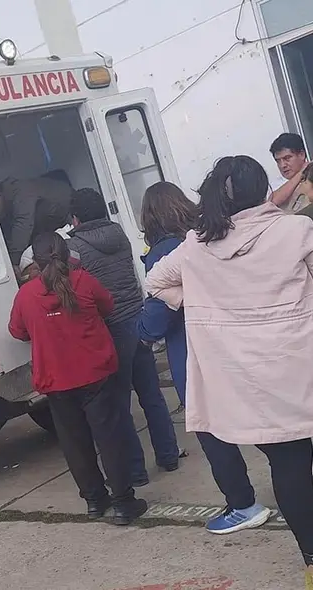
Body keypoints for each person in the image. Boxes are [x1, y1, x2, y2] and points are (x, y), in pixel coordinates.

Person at [145, 155, 313, 586]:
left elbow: (155, 282)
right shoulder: (297, 231)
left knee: (289, 465)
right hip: (302, 363)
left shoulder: (195, 248)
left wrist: (203, 302)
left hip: (250, 384)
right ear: (263, 189)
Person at [137, 180, 272, 535]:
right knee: (261, 422)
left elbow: (155, 319)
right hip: (232, 345)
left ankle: (243, 505)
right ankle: (299, 476)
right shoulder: (208, 237)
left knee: (213, 432)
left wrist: (141, 328)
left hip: (194, 356)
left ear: (149, 216)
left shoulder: (164, 254)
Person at [9, 232, 148, 525]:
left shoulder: (26, 295)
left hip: (55, 380)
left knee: (75, 444)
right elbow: (107, 306)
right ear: (66, 254)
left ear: (35, 262)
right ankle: (124, 503)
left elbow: (17, 331)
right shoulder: (84, 281)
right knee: (109, 438)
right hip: (95, 373)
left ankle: (95, 501)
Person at [68, 188, 183, 485]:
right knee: (151, 394)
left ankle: (135, 471)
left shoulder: (74, 248)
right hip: (137, 318)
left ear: (75, 219)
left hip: (110, 327)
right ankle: (169, 455)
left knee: (120, 405)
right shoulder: (118, 233)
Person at [0, 175, 72, 269]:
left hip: (69, 211)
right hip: (55, 219)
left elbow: (23, 225)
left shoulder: (22, 192)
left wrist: (14, 263)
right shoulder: (11, 199)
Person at [269, 133, 310, 211]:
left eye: (287, 158)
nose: (282, 165)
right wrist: (301, 173)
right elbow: (272, 202)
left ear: (302, 155)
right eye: (278, 161)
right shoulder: (275, 185)